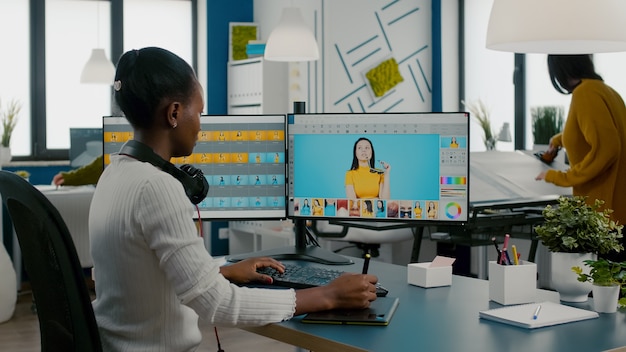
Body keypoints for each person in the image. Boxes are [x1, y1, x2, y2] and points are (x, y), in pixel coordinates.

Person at [89, 47, 378, 351]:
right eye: (199, 112)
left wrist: (219, 272)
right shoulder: (157, 188)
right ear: (174, 113)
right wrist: (327, 295)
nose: (200, 125)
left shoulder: (114, 174)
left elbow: (139, 276)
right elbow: (218, 305)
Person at [535, 55, 626, 260]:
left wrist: (560, 177)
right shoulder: (606, 91)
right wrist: (560, 139)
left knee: (603, 288)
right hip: (618, 213)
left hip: (603, 215)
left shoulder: (585, 94)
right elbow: (604, 134)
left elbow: (608, 148)